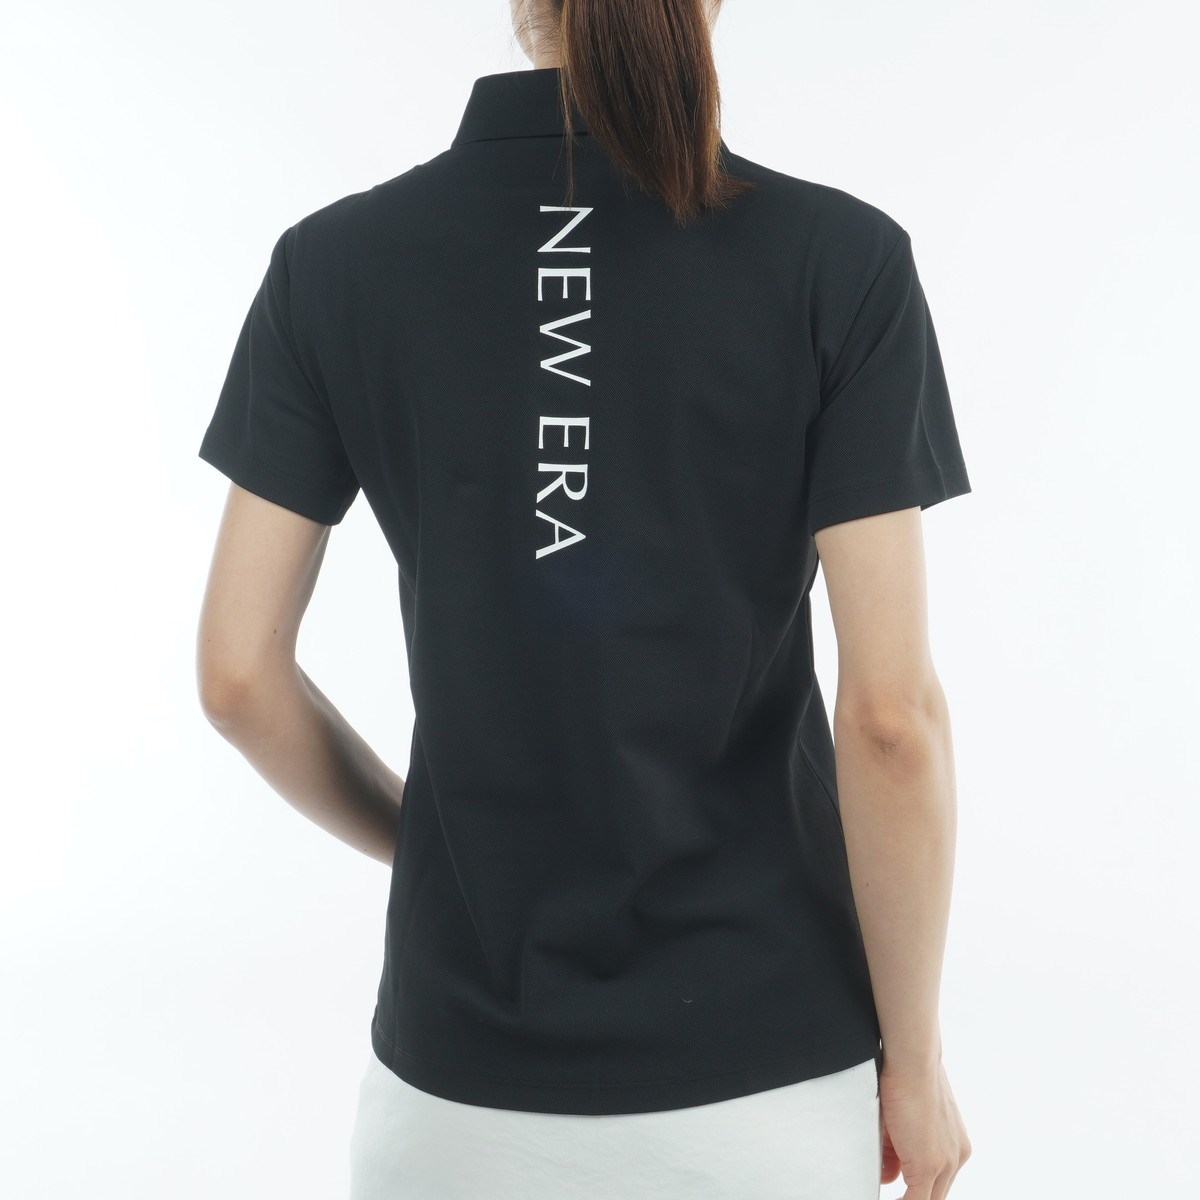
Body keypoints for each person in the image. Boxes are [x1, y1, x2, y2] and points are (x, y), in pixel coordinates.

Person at [195, 0, 974, 1196]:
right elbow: (890, 722)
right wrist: (913, 1064)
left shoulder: (335, 262)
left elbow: (237, 676)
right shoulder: (839, 260)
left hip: (453, 1098)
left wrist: (434, 841)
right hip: (759, 1088)